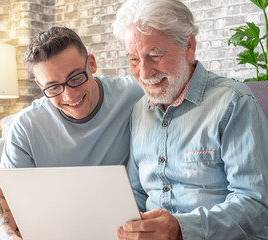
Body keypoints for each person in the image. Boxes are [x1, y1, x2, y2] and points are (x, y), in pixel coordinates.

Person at [113, 0, 268, 239]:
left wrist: (181, 229)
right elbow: (135, 194)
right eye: (133, 59)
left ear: (189, 46)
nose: (144, 73)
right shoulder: (139, 110)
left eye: (154, 56)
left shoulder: (233, 102)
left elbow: (256, 205)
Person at [0, 26, 143, 239]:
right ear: (40, 85)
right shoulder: (26, 125)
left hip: (120, 231)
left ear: (92, 63)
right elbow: (0, 196)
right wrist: (8, 237)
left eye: (76, 77)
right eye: (53, 87)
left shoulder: (135, 94)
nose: (70, 95)